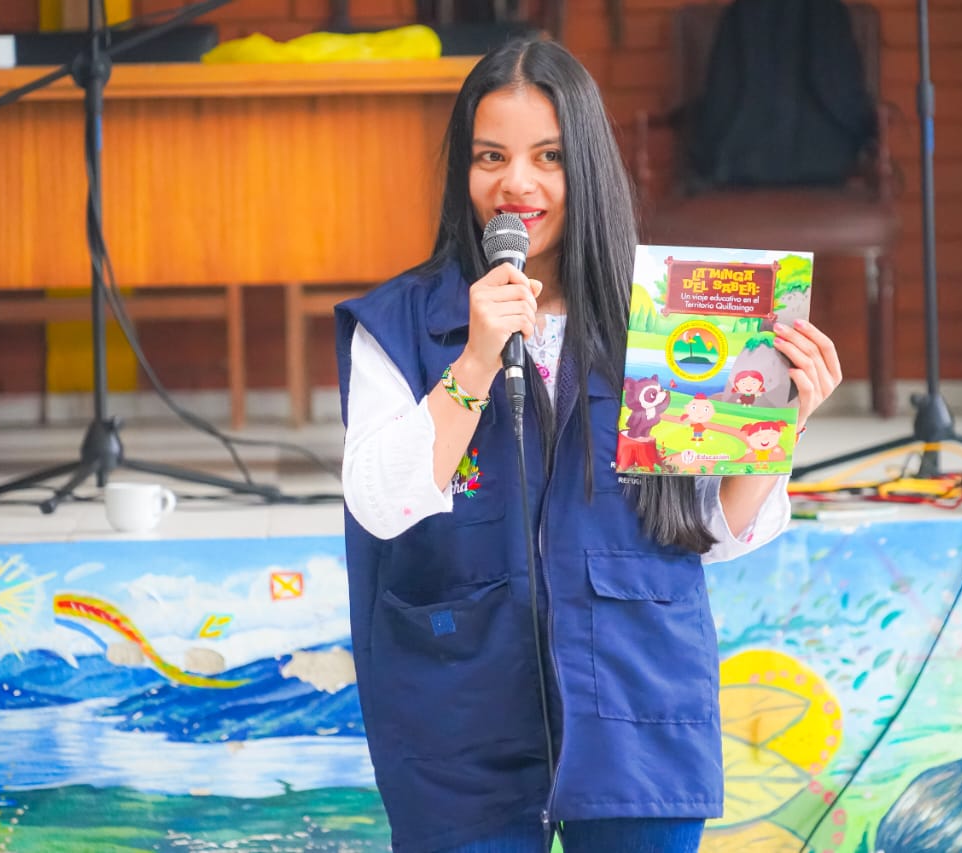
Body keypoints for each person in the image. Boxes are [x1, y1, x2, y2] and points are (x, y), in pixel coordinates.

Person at [335, 37, 842, 853]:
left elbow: (705, 532)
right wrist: (470, 359)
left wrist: (775, 434)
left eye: (549, 157)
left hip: (636, 711)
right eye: (490, 156)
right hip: (462, 725)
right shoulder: (398, 325)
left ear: (590, 169)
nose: (517, 184)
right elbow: (379, 503)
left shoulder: (669, 318)